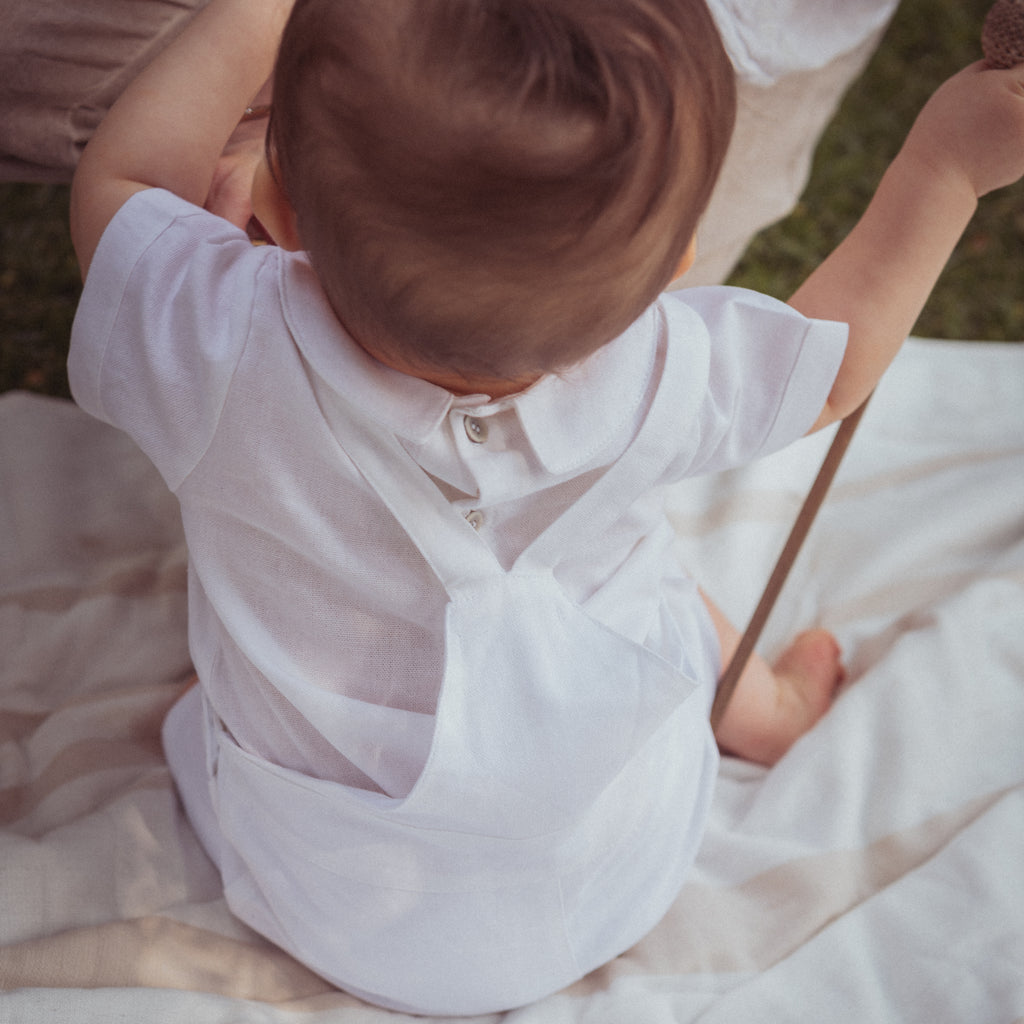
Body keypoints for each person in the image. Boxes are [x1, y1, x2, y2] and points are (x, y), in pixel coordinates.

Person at [66, 0, 1024, 1015]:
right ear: (679, 257)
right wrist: (944, 170)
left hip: (325, 896)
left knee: (308, 648)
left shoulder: (214, 339)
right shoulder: (660, 377)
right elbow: (832, 372)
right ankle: (768, 712)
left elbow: (124, 181)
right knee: (620, 575)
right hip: (621, 864)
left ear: (283, 206)